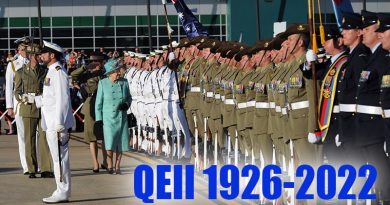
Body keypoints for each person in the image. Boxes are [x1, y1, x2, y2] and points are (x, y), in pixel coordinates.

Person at [40, 40, 74, 203]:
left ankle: (63, 191)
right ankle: (61, 189)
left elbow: (63, 99)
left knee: (60, 160)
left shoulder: (58, 72)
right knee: (56, 159)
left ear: (52, 55)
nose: (41, 55)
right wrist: (36, 100)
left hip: (56, 124)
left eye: (44, 53)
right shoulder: (51, 71)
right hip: (51, 122)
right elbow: (51, 98)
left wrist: (60, 122)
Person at [14, 41, 54, 179]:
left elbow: (49, 88)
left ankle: (46, 168)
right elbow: (17, 92)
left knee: (44, 138)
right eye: (36, 55)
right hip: (28, 108)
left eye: (39, 55)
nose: (39, 57)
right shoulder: (21, 72)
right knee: (29, 139)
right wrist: (24, 99)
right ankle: (31, 168)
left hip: (43, 108)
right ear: (30, 56)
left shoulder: (45, 71)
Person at [71, 52, 107, 173]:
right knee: (92, 136)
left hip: (103, 104)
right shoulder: (86, 74)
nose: (96, 65)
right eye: (93, 62)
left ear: (102, 63)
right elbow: (73, 75)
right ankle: (95, 163)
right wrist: (86, 67)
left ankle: (106, 161)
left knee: (105, 135)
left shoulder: (106, 73)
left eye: (97, 62)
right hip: (90, 103)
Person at [95, 59, 131, 175]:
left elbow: (129, 98)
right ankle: (109, 162)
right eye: (116, 71)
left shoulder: (124, 82)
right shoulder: (102, 83)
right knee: (110, 142)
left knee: (121, 142)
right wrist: (99, 120)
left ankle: (118, 165)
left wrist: (126, 104)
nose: (118, 73)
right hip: (108, 118)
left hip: (121, 117)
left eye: (118, 71)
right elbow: (98, 104)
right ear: (110, 73)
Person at [5, 37, 30, 174]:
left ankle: (34, 163)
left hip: (34, 102)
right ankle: (26, 166)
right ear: (19, 50)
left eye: (27, 48)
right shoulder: (13, 64)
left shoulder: (34, 62)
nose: (25, 51)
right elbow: (9, 87)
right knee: (22, 135)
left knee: (36, 134)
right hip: (19, 103)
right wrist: (9, 106)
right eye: (23, 49)